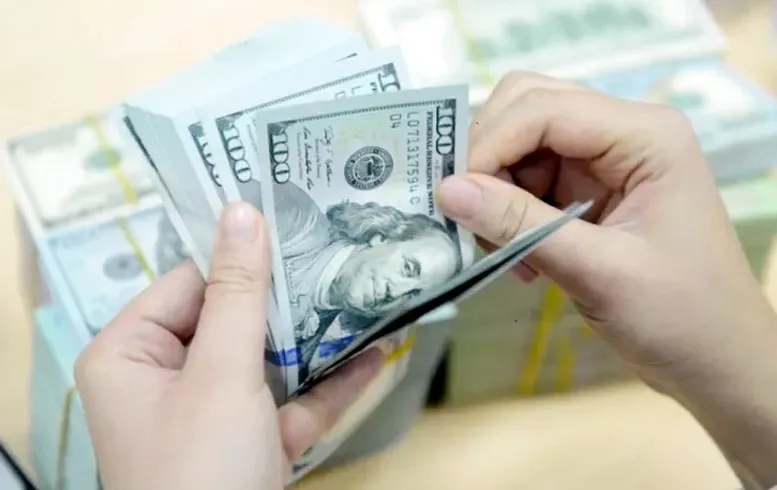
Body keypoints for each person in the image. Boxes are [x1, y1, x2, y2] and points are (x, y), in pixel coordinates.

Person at [74, 72, 777, 490]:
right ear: (380, 236)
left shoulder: (341, 325)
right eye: (408, 268)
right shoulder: (293, 224)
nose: (395, 296)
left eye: (418, 287)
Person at [268, 179, 463, 382]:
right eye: (408, 269)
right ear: (381, 237)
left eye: (414, 294)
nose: (397, 292)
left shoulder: (314, 353)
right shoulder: (296, 216)